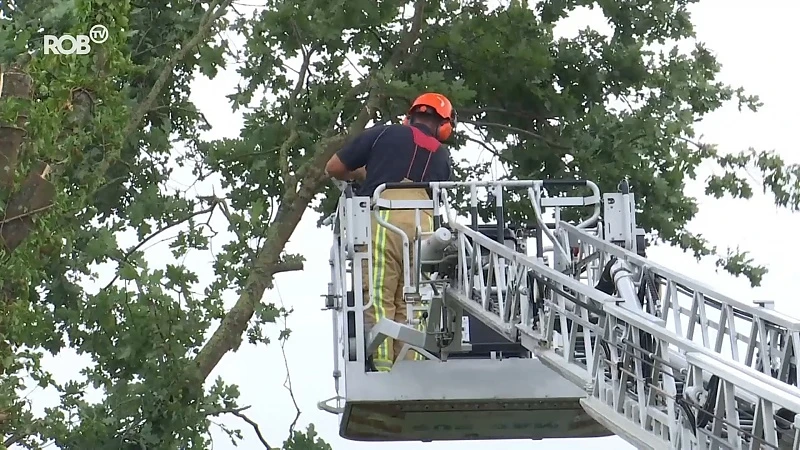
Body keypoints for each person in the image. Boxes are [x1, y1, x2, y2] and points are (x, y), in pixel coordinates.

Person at [325, 92, 456, 371]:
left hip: (385, 219)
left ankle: (384, 371)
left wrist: (363, 174)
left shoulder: (383, 134)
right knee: (413, 303)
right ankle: (412, 372)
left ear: (409, 116)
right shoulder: (442, 156)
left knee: (379, 297)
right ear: (444, 125)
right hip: (425, 229)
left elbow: (334, 168)